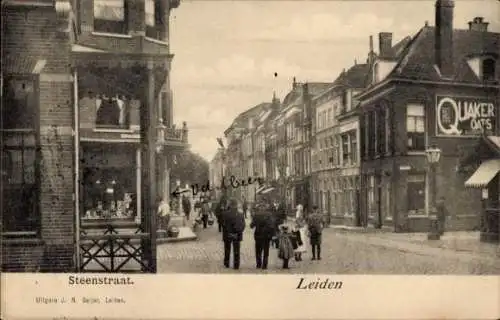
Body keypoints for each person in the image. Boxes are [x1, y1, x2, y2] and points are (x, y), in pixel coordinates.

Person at [250, 201, 275, 270]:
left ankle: (258, 264)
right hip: (266, 236)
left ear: (260, 208)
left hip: (258, 235)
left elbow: (251, 226)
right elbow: (272, 225)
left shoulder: (256, 214)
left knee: (258, 250)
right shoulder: (269, 215)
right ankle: (265, 265)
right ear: (265, 208)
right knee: (266, 251)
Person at [222, 198, 246, 270]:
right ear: (236, 205)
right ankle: (236, 265)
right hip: (237, 234)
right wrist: (239, 231)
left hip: (228, 234)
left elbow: (223, 224)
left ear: (230, 204)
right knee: (236, 250)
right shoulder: (241, 214)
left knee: (227, 249)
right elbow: (243, 225)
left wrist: (229, 231)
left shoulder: (225, 214)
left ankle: (227, 263)